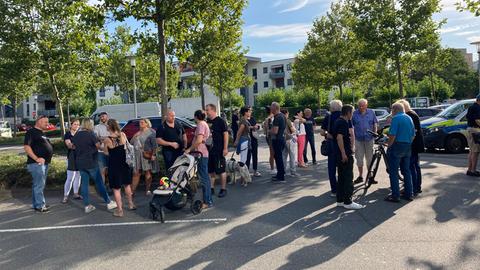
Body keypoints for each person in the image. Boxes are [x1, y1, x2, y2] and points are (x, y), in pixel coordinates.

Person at [72, 119, 117, 213]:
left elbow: (73, 146)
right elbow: (98, 146)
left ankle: (87, 206)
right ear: (89, 125)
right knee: (99, 182)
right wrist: (105, 145)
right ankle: (109, 202)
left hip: (80, 162)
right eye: (92, 124)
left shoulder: (77, 134)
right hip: (91, 161)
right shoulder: (91, 134)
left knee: (84, 184)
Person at [332, 105, 364, 210]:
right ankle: (348, 201)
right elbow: (339, 137)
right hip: (343, 154)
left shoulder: (338, 121)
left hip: (338, 154)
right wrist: (344, 153)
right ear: (348, 112)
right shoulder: (343, 122)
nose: (353, 115)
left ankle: (340, 200)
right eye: (352, 112)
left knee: (341, 177)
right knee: (348, 178)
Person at [103, 119, 135, 217]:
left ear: (109, 126)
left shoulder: (107, 139)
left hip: (114, 165)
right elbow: (126, 147)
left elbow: (106, 152)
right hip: (124, 163)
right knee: (127, 185)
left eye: (107, 125)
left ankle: (120, 210)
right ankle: (131, 204)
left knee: (116, 188)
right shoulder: (123, 135)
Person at [385, 103, 415, 202]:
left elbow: (392, 135)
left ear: (394, 110)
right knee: (406, 170)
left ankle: (395, 195)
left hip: (397, 146)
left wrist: (389, 146)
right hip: (407, 146)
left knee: (393, 172)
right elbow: (413, 134)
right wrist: (408, 143)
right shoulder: (409, 118)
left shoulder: (396, 119)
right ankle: (409, 194)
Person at [23, 115, 53, 213]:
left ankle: (37, 203)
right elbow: (27, 147)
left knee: (38, 184)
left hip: (44, 163)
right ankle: (40, 205)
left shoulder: (42, 133)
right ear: (39, 122)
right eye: (45, 122)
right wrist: (37, 159)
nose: (47, 124)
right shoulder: (31, 132)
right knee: (39, 185)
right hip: (36, 164)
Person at [186, 110, 212, 209]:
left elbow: (199, 140)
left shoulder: (201, 124)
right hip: (202, 153)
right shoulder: (204, 123)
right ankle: (207, 200)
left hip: (201, 153)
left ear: (196, 116)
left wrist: (189, 149)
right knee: (205, 177)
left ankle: (207, 201)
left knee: (204, 178)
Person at [397, 99, 424, 195]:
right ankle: (417, 186)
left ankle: (412, 187)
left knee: (410, 167)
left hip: (412, 145)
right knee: (415, 166)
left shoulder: (409, 115)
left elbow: (412, 132)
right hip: (416, 144)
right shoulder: (413, 114)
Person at [352, 99, 378, 184]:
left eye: (363, 105)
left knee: (370, 159)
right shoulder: (354, 113)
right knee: (359, 159)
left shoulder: (371, 112)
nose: (361, 107)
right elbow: (351, 127)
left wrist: (375, 133)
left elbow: (375, 123)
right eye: (359, 105)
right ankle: (360, 176)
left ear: (367, 105)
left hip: (369, 139)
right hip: (358, 140)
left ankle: (370, 177)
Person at [320, 100, 343, 197]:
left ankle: (334, 190)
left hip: (332, 145)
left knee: (332, 168)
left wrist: (327, 134)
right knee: (343, 167)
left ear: (332, 108)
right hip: (343, 145)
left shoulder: (328, 117)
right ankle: (343, 188)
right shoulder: (344, 116)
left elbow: (321, 132)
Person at [131, 118, 159, 196]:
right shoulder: (138, 132)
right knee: (136, 173)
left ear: (147, 123)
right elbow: (131, 143)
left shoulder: (151, 132)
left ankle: (148, 190)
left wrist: (153, 155)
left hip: (147, 154)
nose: (141, 123)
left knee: (147, 171)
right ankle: (132, 192)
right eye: (140, 122)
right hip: (137, 155)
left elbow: (155, 145)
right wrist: (135, 136)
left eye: (142, 122)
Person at [206, 104, 229, 198]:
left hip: (219, 150)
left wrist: (225, 148)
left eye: (207, 110)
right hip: (209, 151)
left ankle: (223, 189)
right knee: (210, 170)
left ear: (213, 110)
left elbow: (226, 135)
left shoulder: (221, 121)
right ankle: (211, 188)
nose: (206, 112)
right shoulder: (207, 121)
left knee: (221, 170)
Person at [62, 118, 82, 203]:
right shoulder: (67, 134)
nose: (77, 126)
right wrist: (78, 145)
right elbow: (69, 146)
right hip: (71, 157)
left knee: (78, 176)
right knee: (70, 177)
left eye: (78, 124)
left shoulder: (80, 134)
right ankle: (65, 196)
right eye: (75, 124)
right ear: (71, 125)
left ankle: (76, 194)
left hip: (80, 157)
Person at [270, 102, 287, 182]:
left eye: (271, 108)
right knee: (279, 157)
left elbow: (275, 131)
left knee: (278, 157)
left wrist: (269, 131)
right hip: (282, 139)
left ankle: (280, 176)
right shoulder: (283, 116)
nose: (270, 109)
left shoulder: (277, 117)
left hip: (277, 140)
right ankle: (281, 173)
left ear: (275, 108)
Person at [466, 94, 480, 177]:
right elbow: (477, 120)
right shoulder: (478, 108)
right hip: (476, 130)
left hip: (470, 129)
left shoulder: (471, 107)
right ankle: (473, 171)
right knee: (475, 152)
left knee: (471, 151)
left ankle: (469, 169)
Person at [93, 112, 110, 184]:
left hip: (111, 151)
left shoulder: (112, 125)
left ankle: (111, 186)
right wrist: (107, 138)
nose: (102, 118)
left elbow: (117, 135)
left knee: (111, 170)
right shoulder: (97, 127)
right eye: (100, 117)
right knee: (102, 171)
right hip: (101, 151)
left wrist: (103, 138)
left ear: (107, 116)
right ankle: (103, 189)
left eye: (103, 116)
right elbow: (95, 137)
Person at [281, 109, 298, 176]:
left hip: (283, 140)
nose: (288, 115)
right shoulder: (287, 120)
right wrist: (295, 132)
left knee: (284, 156)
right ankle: (293, 171)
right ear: (286, 114)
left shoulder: (280, 120)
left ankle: (283, 171)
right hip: (289, 139)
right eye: (288, 113)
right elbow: (293, 130)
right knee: (292, 156)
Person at [246, 110, 261, 177]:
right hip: (247, 139)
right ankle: (247, 171)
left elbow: (257, 126)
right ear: (245, 112)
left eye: (251, 111)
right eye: (249, 111)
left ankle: (255, 170)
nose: (251, 112)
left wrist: (257, 126)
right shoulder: (243, 119)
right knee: (247, 156)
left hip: (254, 139)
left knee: (255, 155)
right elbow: (243, 128)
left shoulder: (252, 118)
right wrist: (252, 127)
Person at [263, 106, 276, 175]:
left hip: (269, 137)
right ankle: (272, 168)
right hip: (271, 137)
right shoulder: (270, 119)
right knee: (272, 153)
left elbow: (265, 131)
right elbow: (267, 130)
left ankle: (273, 168)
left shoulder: (267, 118)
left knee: (273, 153)